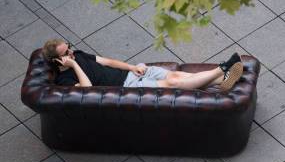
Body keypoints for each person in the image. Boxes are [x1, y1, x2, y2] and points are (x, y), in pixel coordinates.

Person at [41, 39, 244, 92]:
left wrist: (131, 67)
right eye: (65, 54)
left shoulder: (78, 54)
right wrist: (74, 66)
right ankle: (222, 69)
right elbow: (87, 89)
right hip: (127, 88)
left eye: (68, 47)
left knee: (177, 77)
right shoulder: (64, 79)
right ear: (57, 61)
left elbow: (107, 61)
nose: (70, 53)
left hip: (134, 74)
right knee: (173, 83)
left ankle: (222, 80)